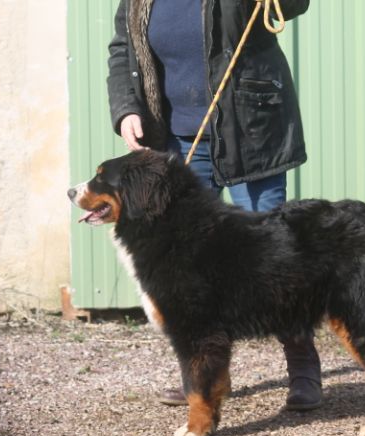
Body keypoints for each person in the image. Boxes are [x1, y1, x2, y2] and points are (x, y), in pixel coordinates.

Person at [106, 0, 322, 410]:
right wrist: (127, 109)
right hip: (179, 139)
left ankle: (304, 369)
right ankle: (203, 377)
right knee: (187, 269)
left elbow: (293, 4)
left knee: (276, 259)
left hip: (250, 133)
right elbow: (122, 50)